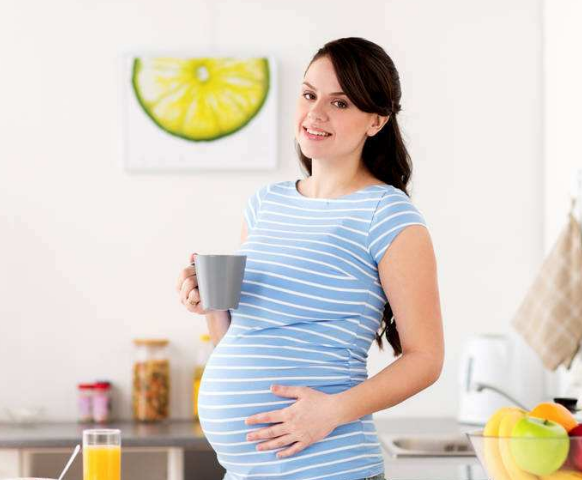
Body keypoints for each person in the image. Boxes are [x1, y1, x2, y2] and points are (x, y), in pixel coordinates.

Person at [176, 37, 444, 480]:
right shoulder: (265, 204)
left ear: (376, 120)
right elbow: (240, 340)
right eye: (308, 94)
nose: (315, 114)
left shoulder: (387, 215)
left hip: (329, 469)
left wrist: (332, 411)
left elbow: (426, 358)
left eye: (340, 103)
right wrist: (210, 306)